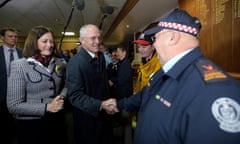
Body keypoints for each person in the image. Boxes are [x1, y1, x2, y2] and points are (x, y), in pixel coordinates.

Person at [103, 9, 240, 144]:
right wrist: (119, 104)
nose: (154, 44)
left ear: (172, 37)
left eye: (155, 38)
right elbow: (146, 94)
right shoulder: (165, 71)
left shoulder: (214, 90)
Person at [7, 25, 68, 144]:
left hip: (57, 121)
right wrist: (47, 107)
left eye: (51, 41)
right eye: (44, 41)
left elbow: (66, 85)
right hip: (32, 125)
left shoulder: (58, 62)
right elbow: (13, 106)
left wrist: (62, 97)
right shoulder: (19, 65)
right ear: (33, 43)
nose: (50, 45)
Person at [66, 24, 114, 144]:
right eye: (93, 38)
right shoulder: (75, 63)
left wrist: (107, 103)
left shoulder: (101, 57)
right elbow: (75, 96)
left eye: (99, 37)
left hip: (104, 116)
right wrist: (101, 104)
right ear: (82, 40)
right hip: (87, 120)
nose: (97, 42)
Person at [0, 27, 22, 144]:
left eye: (15, 36)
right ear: (2, 37)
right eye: (10, 36)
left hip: (20, 94)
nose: (14, 38)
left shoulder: (22, 52)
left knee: (20, 123)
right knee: (5, 124)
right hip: (2, 94)